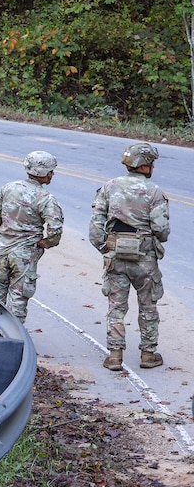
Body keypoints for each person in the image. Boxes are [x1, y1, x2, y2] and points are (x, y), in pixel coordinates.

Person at [88, 142, 170, 371]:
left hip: (116, 256)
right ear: (145, 166)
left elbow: (96, 226)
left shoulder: (109, 187)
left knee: (116, 306)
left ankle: (115, 355)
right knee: (148, 305)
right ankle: (148, 355)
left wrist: (104, 247)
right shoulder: (155, 192)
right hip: (145, 258)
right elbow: (161, 231)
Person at [0, 151, 64, 322]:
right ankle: (14, 340)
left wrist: (8, 229)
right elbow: (55, 230)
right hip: (25, 255)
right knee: (18, 300)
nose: (53, 174)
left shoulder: (8, 188)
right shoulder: (46, 198)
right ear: (42, 173)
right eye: (51, 171)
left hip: (3, 251)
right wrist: (46, 243)